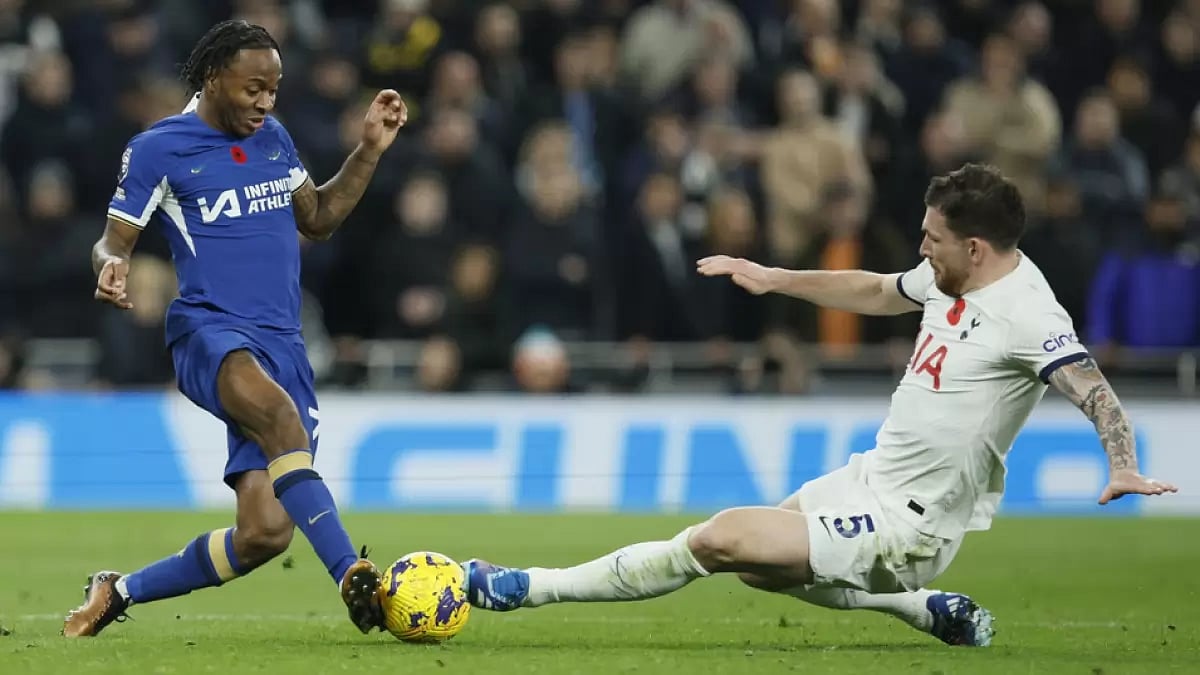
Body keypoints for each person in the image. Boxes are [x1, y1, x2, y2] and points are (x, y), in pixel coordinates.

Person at [460, 163, 1178, 646]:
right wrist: (776, 278)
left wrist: (1122, 461)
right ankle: (924, 610)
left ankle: (525, 587)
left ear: (975, 247)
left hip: (911, 525)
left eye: (932, 239)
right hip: (870, 478)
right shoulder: (949, 276)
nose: (921, 248)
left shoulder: (1028, 314)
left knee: (718, 538)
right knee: (755, 565)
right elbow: (876, 289)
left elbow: (1093, 388)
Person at [62, 20, 408, 638]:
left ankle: (118, 592)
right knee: (279, 419)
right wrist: (111, 265)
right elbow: (112, 241)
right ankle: (351, 573)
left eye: (273, 90)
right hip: (210, 331)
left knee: (264, 534)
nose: (265, 102)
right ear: (213, 78)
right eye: (254, 89)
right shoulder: (158, 148)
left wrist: (368, 151)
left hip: (283, 343)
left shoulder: (273, 137)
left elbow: (318, 217)